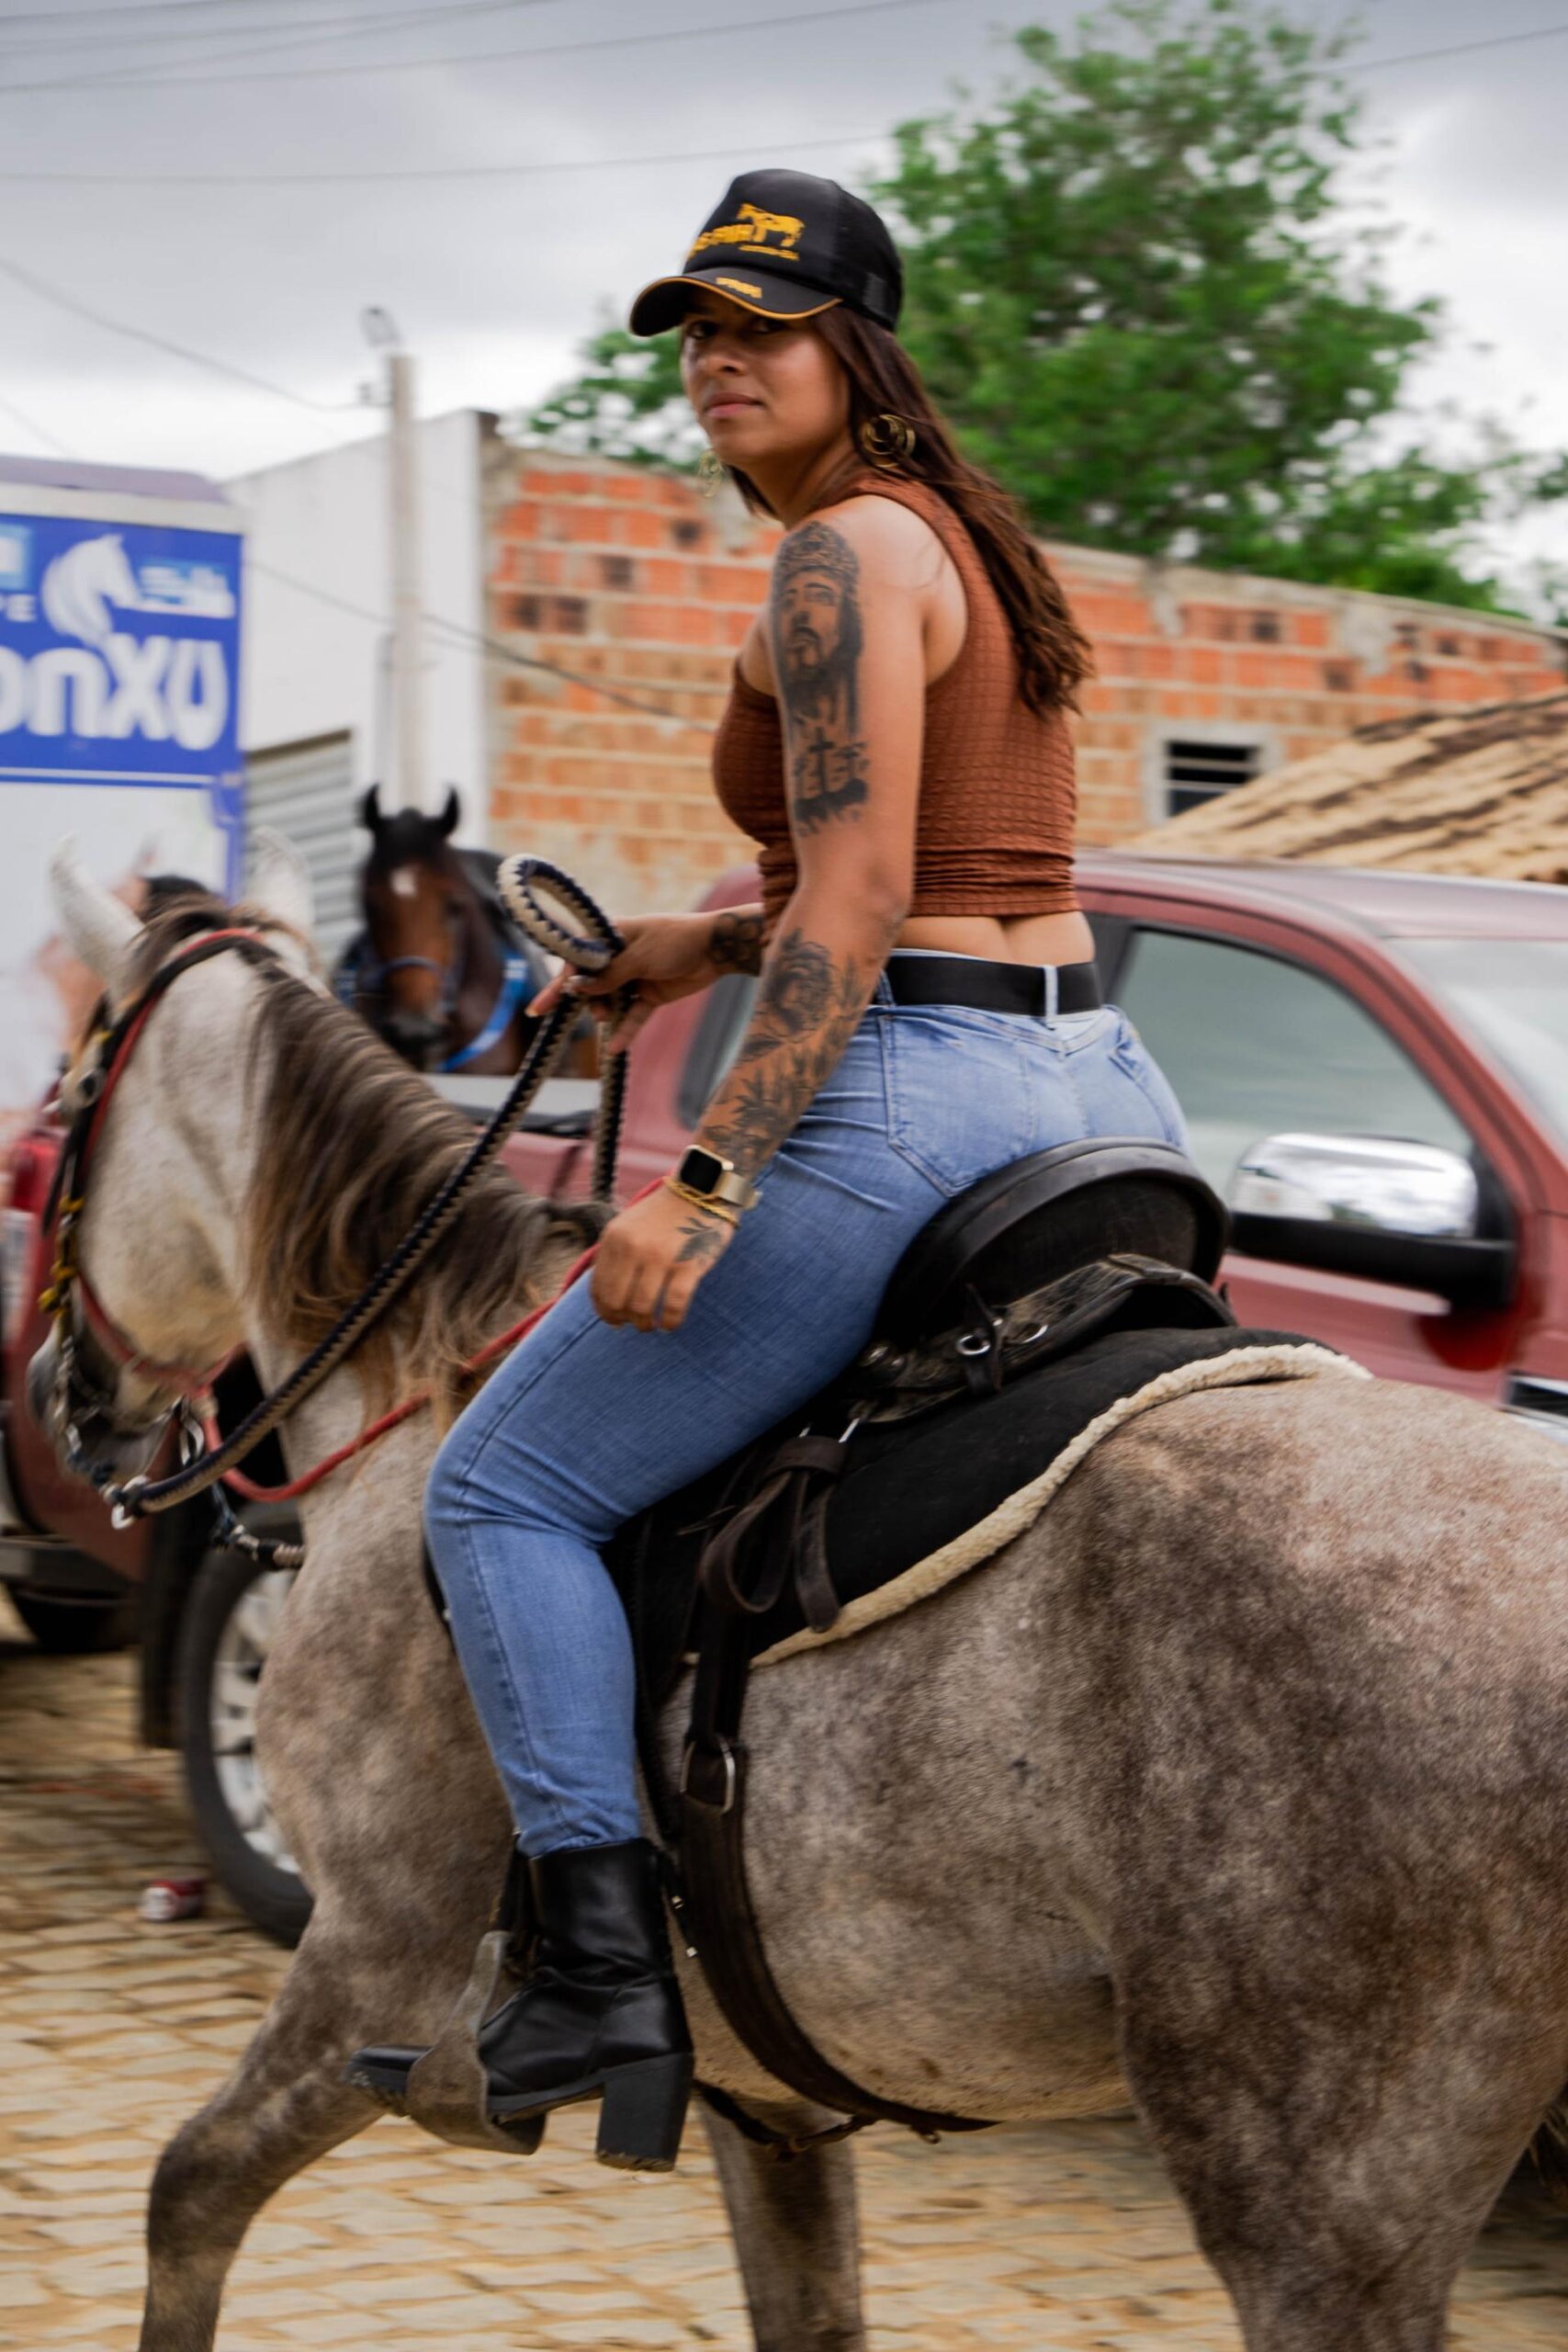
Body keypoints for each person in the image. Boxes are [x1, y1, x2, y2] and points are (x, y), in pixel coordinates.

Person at [352, 167, 1188, 2166]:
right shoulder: (960, 537)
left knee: (505, 1487)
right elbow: (939, 872)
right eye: (701, 333)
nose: (722, 363)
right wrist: (701, 943)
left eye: (767, 331)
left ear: (857, 351)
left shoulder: (833, 556)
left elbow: (872, 894)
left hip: (915, 1093)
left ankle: (599, 1971)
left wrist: (709, 1175)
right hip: (1100, 1082)